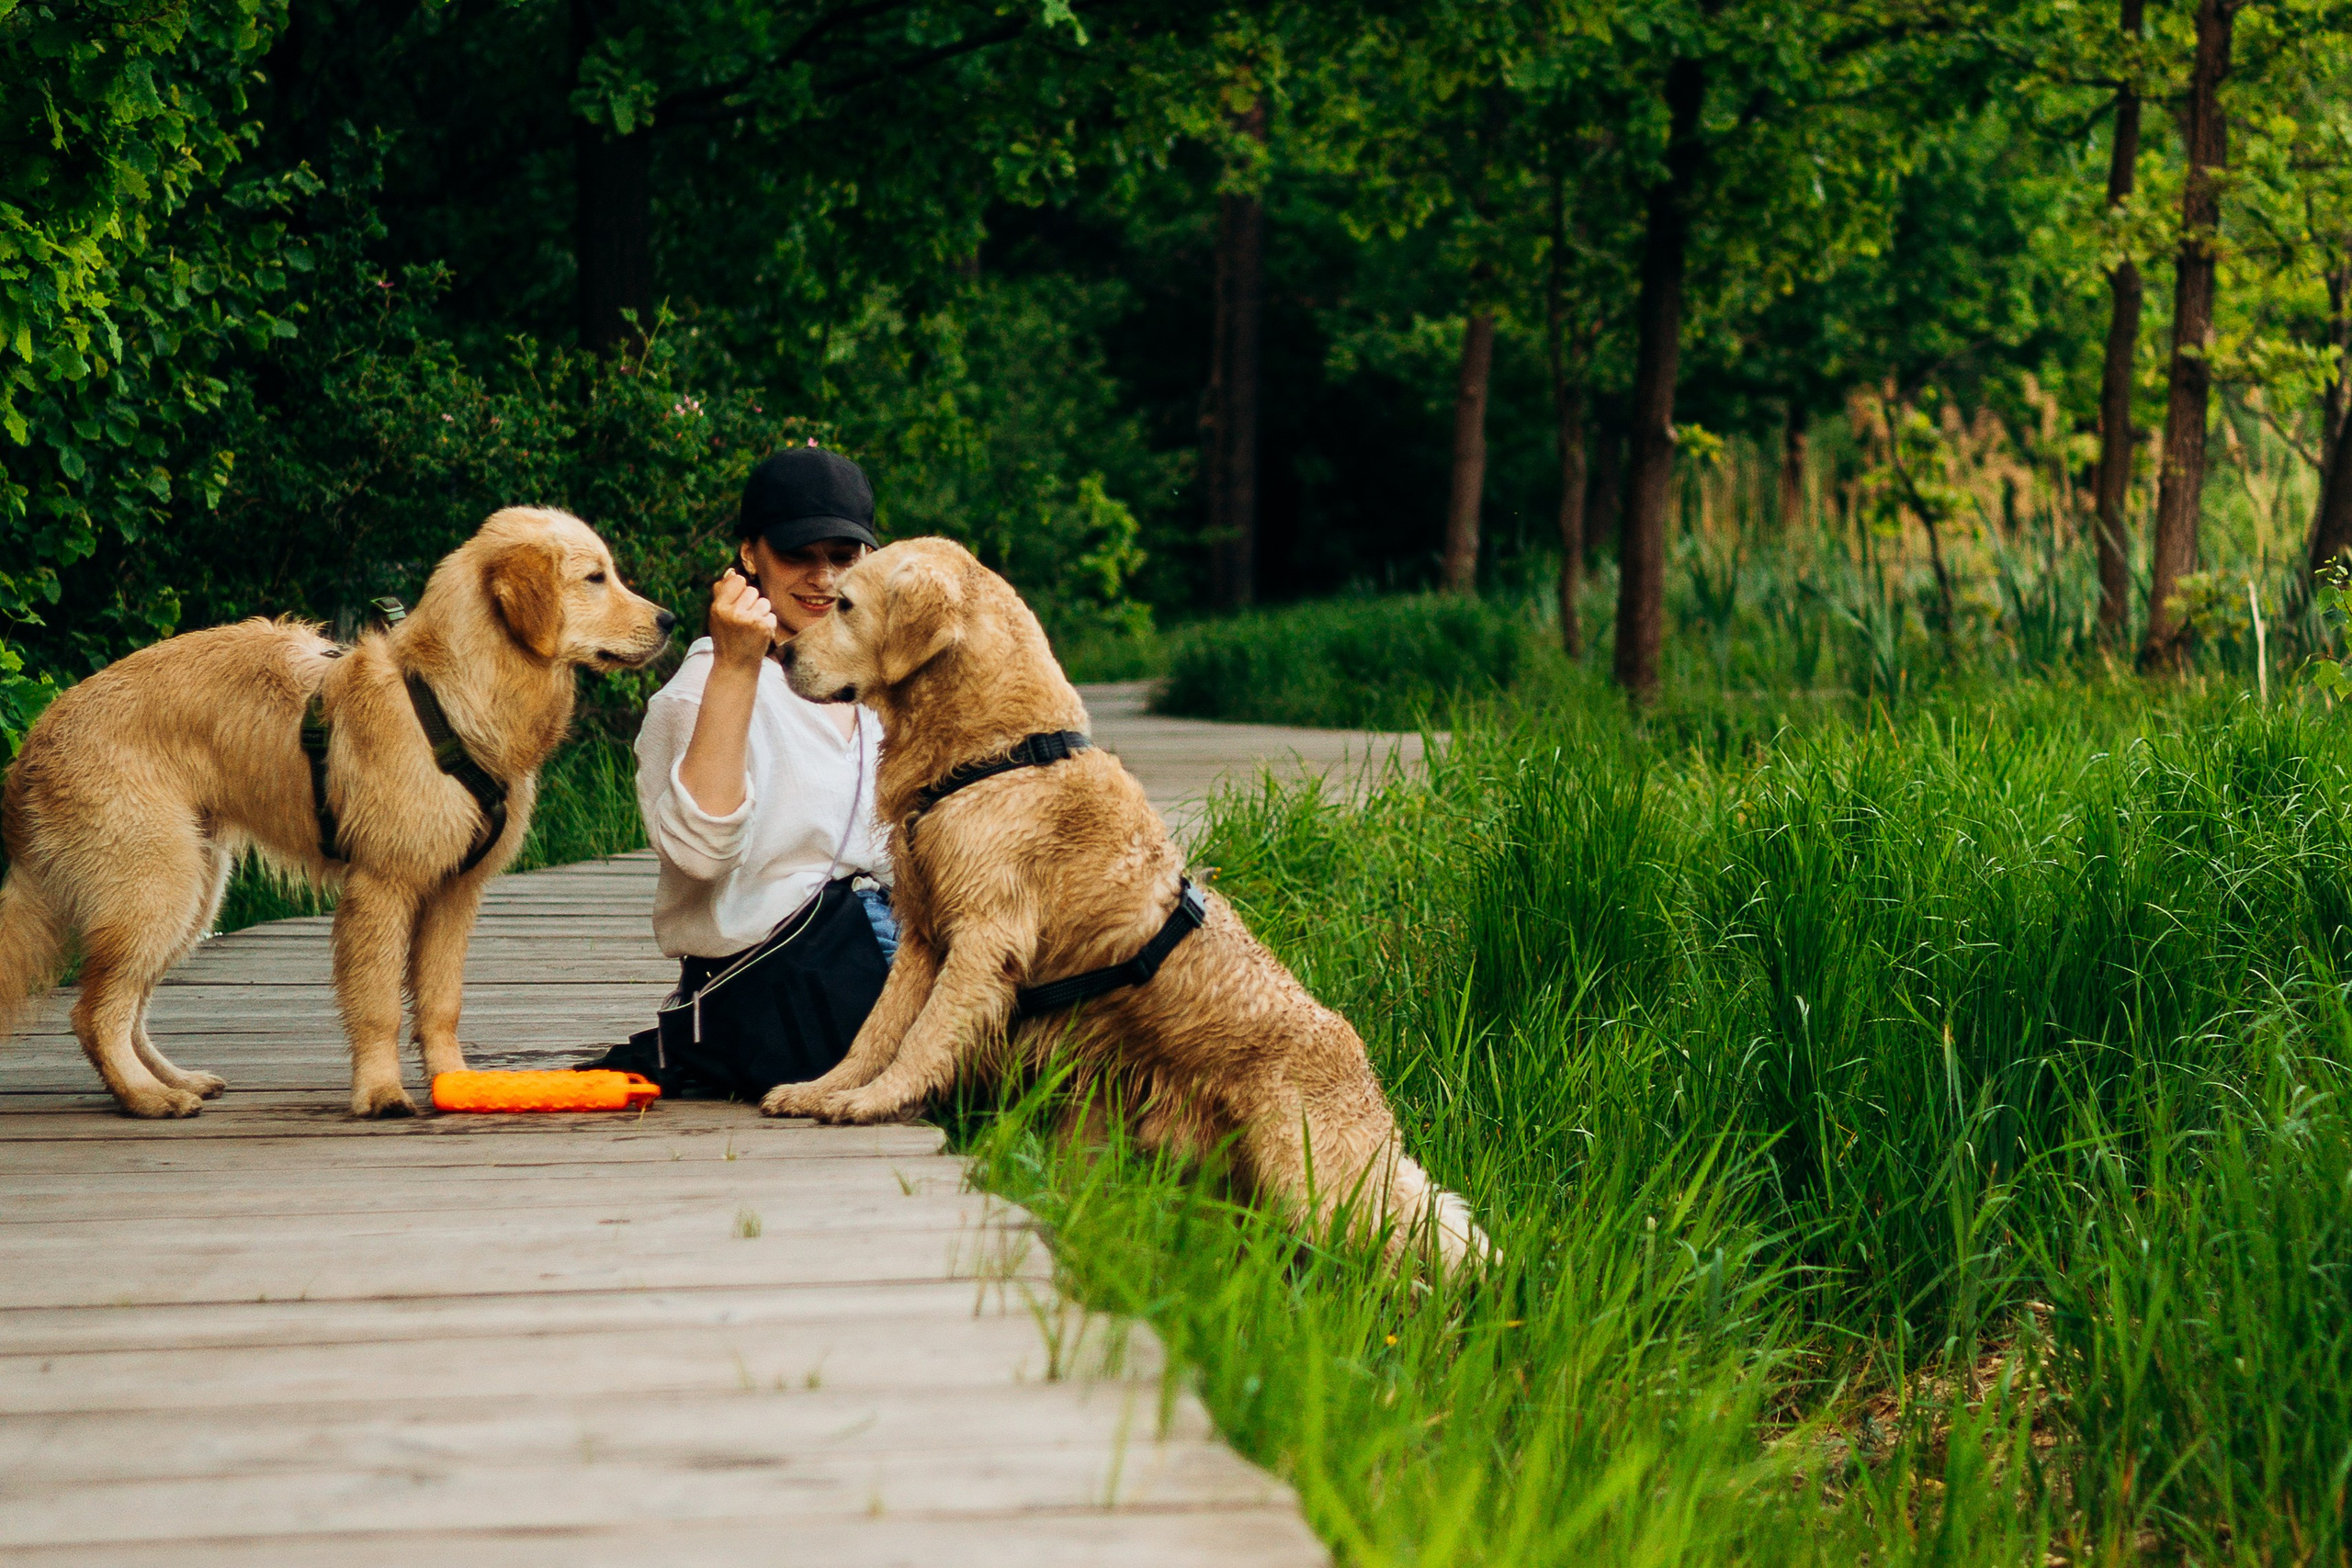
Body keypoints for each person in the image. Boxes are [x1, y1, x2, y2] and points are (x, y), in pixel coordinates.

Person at [603, 446, 896, 1097]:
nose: (823, 577)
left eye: (843, 556)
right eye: (799, 554)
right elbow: (700, 856)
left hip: (881, 948)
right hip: (774, 983)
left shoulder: (881, 686)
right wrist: (738, 666)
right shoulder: (700, 689)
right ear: (749, 554)